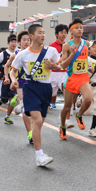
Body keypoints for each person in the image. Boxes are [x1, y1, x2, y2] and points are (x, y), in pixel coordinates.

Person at [10, 24, 61, 166]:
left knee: (40, 122)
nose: (43, 35)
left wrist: (54, 67)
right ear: (31, 36)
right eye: (40, 33)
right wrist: (14, 80)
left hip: (46, 88)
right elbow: (12, 70)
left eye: (44, 32)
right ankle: (40, 155)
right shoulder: (23, 54)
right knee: (37, 121)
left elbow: (60, 66)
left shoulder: (51, 51)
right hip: (30, 87)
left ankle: (24, 105)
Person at [59, 19, 92, 140]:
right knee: (67, 107)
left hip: (83, 77)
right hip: (72, 78)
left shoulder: (86, 44)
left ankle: (79, 115)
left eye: (81, 27)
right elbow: (63, 65)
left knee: (88, 100)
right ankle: (62, 126)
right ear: (71, 30)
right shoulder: (67, 46)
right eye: (77, 27)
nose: (80, 29)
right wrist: (72, 54)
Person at [4, 31, 33, 142]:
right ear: (19, 42)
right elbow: (7, 67)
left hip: (31, 83)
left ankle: (15, 100)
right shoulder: (15, 54)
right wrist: (8, 78)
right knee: (26, 108)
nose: (26, 42)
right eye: (24, 39)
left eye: (28, 40)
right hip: (20, 83)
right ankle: (30, 133)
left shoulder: (35, 54)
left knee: (30, 106)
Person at [0, 34, 17, 124]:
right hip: (5, 80)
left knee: (12, 99)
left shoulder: (19, 53)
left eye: (15, 42)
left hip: (15, 79)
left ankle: (7, 116)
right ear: (8, 43)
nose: (13, 44)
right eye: (12, 42)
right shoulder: (3, 54)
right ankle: (1, 98)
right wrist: (1, 75)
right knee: (4, 101)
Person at [49, 24, 69, 109]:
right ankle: (52, 102)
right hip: (53, 72)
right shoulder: (52, 45)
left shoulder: (67, 45)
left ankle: (68, 105)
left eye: (65, 32)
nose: (64, 34)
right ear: (57, 34)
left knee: (65, 86)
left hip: (64, 72)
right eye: (61, 32)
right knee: (52, 92)